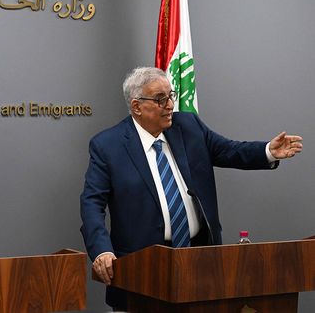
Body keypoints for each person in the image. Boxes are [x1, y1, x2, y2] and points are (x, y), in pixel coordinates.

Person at [79, 66, 302, 311]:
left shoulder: (189, 126)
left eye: (171, 95)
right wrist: (101, 251)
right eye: (160, 99)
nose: (170, 104)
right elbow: (92, 204)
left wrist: (268, 151)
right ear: (136, 106)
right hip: (141, 272)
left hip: (200, 263)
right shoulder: (108, 146)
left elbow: (229, 150)